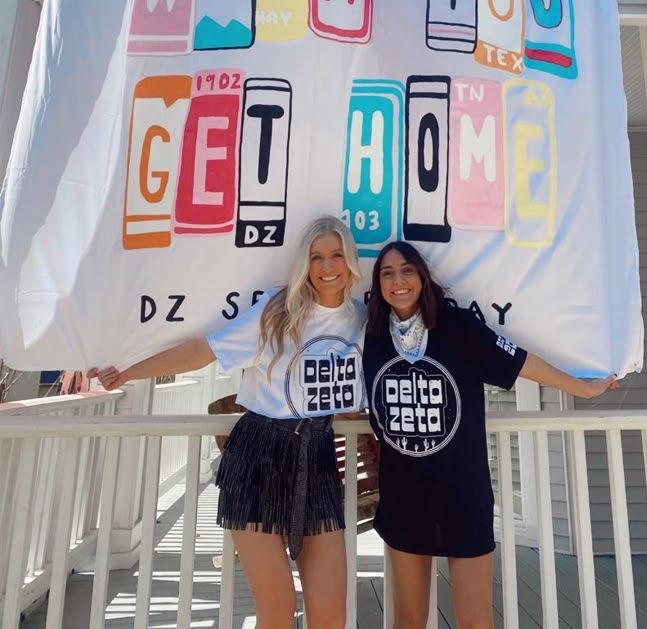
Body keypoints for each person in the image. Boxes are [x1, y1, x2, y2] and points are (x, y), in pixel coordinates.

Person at [90, 215, 366, 629]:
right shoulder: (280, 310)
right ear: (304, 265)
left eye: (336, 255)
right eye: (317, 257)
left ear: (350, 261)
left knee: (331, 615)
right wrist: (129, 371)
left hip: (319, 458)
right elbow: (204, 351)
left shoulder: (362, 320)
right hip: (258, 456)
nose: (327, 267)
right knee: (277, 611)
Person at [363, 240, 620, 629]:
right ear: (377, 284)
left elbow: (519, 361)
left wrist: (582, 389)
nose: (398, 281)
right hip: (404, 493)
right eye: (387, 273)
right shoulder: (373, 336)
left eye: (407, 270)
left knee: (475, 620)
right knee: (408, 620)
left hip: (461, 492)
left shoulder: (456, 326)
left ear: (423, 276)